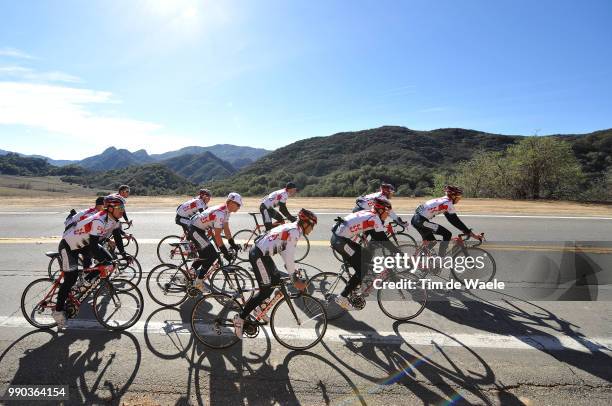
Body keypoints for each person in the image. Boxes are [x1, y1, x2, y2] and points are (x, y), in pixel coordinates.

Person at [233, 208, 317, 338]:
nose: (312, 229)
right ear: (306, 224)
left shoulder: (293, 227)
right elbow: (289, 255)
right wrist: (295, 280)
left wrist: (293, 272)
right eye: (312, 226)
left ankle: (259, 308)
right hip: (259, 255)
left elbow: (285, 252)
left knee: (276, 279)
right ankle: (240, 318)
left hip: (263, 254)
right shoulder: (294, 232)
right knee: (265, 290)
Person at [52, 195, 128, 328]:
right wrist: (104, 262)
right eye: (120, 207)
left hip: (84, 244)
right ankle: (58, 311)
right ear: (110, 208)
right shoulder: (99, 220)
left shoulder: (114, 220)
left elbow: (117, 237)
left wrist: (124, 255)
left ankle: (85, 281)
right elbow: (93, 246)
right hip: (69, 246)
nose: (123, 210)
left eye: (123, 207)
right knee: (70, 278)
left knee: (110, 262)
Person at [331, 197, 399, 310]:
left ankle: (358, 282)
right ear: (380, 210)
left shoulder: (369, 213)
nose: (388, 215)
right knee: (362, 270)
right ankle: (342, 297)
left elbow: (376, 237)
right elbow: (384, 241)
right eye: (387, 212)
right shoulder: (374, 218)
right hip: (340, 241)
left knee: (367, 255)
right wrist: (400, 254)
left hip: (341, 238)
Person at [188, 193, 242, 292]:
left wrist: (232, 243)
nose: (239, 207)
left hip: (199, 229)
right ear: (230, 202)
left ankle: (191, 271)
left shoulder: (226, 211)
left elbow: (226, 228)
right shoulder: (220, 213)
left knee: (206, 254)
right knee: (212, 255)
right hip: (195, 229)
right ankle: (198, 283)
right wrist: (225, 252)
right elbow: (217, 235)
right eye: (238, 205)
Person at [410, 185, 481, 256]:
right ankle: (440, 258)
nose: (459, 199)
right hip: (421, 221)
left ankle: (416, 258)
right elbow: (455, 221)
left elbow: (451, 219)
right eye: (458, 197)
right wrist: (471, 234)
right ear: (453, 196)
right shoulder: (448, 203)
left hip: (417, 220)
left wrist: (467, 231)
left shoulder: (443, 200)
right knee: (447, 234)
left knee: (432, 241)